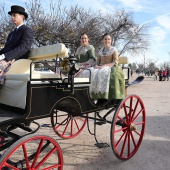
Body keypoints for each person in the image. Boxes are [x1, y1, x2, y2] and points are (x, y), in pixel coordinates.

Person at [78, 33, 125, 101]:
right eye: (105, 39)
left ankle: (101, 95)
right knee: (87, 72)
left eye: (108, 39)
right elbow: (97, 61)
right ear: (102, 40)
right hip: (100, 67)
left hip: (110, 67)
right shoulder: (101, 51)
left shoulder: (114, 50)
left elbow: (115, 62)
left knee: (102, 73)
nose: (107, 41)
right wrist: (97, 65)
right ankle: (91, 94)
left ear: (111, 40)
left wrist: (105, 66)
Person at [0, 5, 34, 87]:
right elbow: (6, 48)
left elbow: (24, 47)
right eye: (11, 15)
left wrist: (5, 56)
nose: (12, 17)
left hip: (17, 59)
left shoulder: (26, 30)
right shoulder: (11, 33)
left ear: (22, 17)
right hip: (8, 58)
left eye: (14, 15)